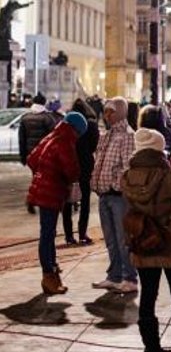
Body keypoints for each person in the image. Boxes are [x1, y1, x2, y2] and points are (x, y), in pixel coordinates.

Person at [122, 128, 171, 352]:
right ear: (158, 149)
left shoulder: (128, 175)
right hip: (170, 238)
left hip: (143, 238)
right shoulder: (166, 174)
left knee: (148, 295)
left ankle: (151, 347)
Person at [27, 112, 87, 295]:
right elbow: (71, 170)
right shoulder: (65, 141)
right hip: (51, 191)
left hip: (43, 188)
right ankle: (49, 275)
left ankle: (52, 271)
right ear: (76, 130)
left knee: (48, 231)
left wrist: (44, 172)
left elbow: (31, 159)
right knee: (47, 234)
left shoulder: (52, 136)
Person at [91, 97, 139, 294]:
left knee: (122, 238)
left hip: (118, 196)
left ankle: (129, 277)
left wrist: (113, 184)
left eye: (111, 111)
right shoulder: (107, 134)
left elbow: (128, 167)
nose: (107, 115)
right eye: (106, 111)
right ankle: (114, 275)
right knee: (110, 238)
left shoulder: (127, 135)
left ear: (120, 112)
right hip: (103, 195)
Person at [62, 99, 99, 246]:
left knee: (67, 202)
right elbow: (94, 145)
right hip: (85, 165)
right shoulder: (91, 124)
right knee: (85, 201)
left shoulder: (66, 124)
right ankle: (83, 233)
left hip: (68, 165)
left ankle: (69, 235)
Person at [18, 93, 59, 214]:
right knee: (44, 179)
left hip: (31, 154)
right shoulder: (47, 118)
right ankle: (39, 202)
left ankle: (32, 201)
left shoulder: (25, 118)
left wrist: (23, 156)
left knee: (36, 177)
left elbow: (21, 139)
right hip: (44, 154)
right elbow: (53, 137)